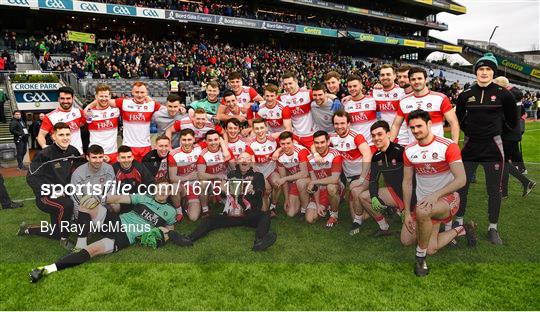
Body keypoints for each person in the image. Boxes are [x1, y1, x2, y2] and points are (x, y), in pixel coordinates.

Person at [29, 178, 180, 283]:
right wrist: (101, 199)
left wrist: (163, 235)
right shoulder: (143, 197)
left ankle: (46, 269)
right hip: (116, 222)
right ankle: (80, 242)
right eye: (160, 188)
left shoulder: (170, 211)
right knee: (87, 200)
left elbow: (170, 231)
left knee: (91, 251)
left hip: (125, 238)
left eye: (166, 189)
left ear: (169, 192)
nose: (162, 191)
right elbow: (117, 199)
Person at [402, 110, 477, 276]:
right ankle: (463, 229)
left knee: (423, 214)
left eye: (419, 126)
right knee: (407, 241)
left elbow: (461, 179)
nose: (415, 131)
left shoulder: (448, 146)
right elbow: (407, 182)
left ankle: (420, 258)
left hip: (447, 200)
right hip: (425, 203)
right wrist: (407, 212)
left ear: (429, 124)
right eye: (412, 127)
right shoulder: (409, 150)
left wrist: (435, 195)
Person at [455, 53, 518, 245]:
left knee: (494, 190)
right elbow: (459, 119)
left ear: (493, 72)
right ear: (475, 72)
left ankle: (493, 228)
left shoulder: (504, 94)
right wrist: (473, 132)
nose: (484, 72)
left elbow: (512, 122)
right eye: (481, 69)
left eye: (488, 69)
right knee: (461, 187)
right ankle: (458, 225)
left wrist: (495, 132)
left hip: (493, 148)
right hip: (470, 147)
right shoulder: (465, 95)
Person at [172, 152, 277, 251]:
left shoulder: (258, 176)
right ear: (237, 161)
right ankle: (188, 239)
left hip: (249, 214)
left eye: (247, 159)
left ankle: (259, 241)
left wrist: (253, 190)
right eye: (241, 158)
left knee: (264, 216)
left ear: (251, 163)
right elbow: (222, 194)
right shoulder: (230, 174)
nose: (244, 160)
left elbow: (260, 194)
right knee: (209, 220)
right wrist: (222, 189)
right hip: (231, 214)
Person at [20, 122, 82, 249]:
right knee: (67, 205)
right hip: (45, 196)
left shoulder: (73, 151)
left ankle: (27, 229)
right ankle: (64, 239)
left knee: (55, 233)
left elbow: (82, 167)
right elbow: (31, 178)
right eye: (61, 135)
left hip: (65, 193)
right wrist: (53, 190)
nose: (65, 138)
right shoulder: (44, 154)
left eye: (67, 134)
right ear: (53, 137)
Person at [85, 81, 162, 162]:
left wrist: (150, 100)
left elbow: (167, 110)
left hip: (142, 146)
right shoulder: (123, 104)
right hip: (123, 148)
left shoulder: (116, 111)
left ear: (146, 93)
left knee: (145, 172)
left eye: (142, 92)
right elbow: (90, 110)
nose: (139, 95)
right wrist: (91, 105)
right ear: (132, 92)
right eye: (137, 92)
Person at [360, 120, 408, 237]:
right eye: (373, 136)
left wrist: (407, 206)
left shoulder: (402, 152)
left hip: (410, 195)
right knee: (363, 197)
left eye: (380, 134)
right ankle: (384, 226)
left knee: (407, 240)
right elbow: (373, 180)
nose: (376, 138)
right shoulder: (376, 156)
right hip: (394, 193)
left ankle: (401, 211)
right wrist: (374, 196)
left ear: (388, 134)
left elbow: (414, 181)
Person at [329, 110, 373, 235]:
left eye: (342, 123)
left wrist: (362, 177)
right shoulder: (333, 137)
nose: (339, 126)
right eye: (336, 124)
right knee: (358, 212)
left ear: (349, 123)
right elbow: (317, 142)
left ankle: (357, 222)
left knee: (354, 192)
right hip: (349, 177)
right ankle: (377, 205)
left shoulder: (356, 136)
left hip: (363, 174)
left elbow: (367, 154)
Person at [390, 67, 460, 144]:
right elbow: (396, 125)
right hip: (413, 151)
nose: (416, 81)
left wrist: (455, 145)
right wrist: (389, 144)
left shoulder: (440, 98)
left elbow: (454, 123)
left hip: (437, 150)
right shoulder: (404, 101)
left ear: (426, 80)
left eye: (419, 78)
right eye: (413, 79)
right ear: (409, 82)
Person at [493, 77, 536, 198]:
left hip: (507, 134)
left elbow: (502, 117)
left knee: (503, 163)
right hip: (513, 132)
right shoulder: (514, 95)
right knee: (504, 162)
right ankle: (524, 183)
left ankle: (510, 189)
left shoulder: (506, 97)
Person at [69, 144, 115, 250]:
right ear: (87, 157)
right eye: (94, 157)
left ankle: (102, 226)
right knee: (85, 206)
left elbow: (111, 190)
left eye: (100, 157)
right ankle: (80, 243)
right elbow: (76, 199)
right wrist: (80, 218)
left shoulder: (108, 169)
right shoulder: (78, 173)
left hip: (103, 204)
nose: (98, 160)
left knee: (116, 204)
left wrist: (106, 206)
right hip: (85, 207)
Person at [306, 131, 343, 226]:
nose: (319, 145)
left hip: (334, 187)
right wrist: (318, 205)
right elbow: (315, 185)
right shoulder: (310, 158)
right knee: (310, 219)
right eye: (317, 143)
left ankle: (334, 215)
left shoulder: (335, 155)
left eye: (322, 142)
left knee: (331, 187)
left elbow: (334, 179)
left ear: (328, 141)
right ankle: (325, 207)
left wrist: (314, 181)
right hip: (320, 190)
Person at [37, 86, 86, 154]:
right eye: (62, 98)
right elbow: (41, 135)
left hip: (78, 154)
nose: (65, 101)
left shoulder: (79, 112)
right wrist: (44, 147)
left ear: (73, 98)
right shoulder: (50, 117)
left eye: (68, 98)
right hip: (59, 156)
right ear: (58, 99)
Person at [197, 130, 233, 217]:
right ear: (205, 141)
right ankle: (205, 210)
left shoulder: (225, 150)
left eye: (216, 139)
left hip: (224, 180)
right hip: (210, 181)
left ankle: (228, 205)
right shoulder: (203, 155)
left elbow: (234, 166)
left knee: (226, 187)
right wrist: (217, 176)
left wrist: (224, 145)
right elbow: (201, 175)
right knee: (202, 183)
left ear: (220, 140)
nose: (213, 142)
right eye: (210, 140)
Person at [168, 129, 203, 221]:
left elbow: (216, 139)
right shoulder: (173, 154)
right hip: (183, 185)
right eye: (184, 140)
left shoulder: (199, 148)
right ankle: (178, 211)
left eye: (189, 139)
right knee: (174, 187)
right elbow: (172, 178)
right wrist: (188, 177)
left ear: (194, 139)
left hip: (196, 186)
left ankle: (188, 202)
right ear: (180, 140)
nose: (186, 143)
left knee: (193, 218)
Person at [275, 131, 311, 218]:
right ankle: (302, 199)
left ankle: (304, 209)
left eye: (288, 143)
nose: (286, 146)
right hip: (295, 181)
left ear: (293, 142)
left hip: (310, 179)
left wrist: (286, 178)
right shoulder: (280, 157)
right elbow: (283, 179)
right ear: (279, 144)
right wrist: (286, 199)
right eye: (283, 144)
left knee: (301, 183)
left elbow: (304, 173)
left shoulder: (301, 151)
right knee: (290, 213)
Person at [372, 64, 409, 145]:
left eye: (388, 74)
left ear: (395, 76)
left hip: (402, 137)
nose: (385, 77)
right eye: (382, 75)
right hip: (383, 137)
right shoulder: (375, 92)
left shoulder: (402, 92)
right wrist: (351, 97)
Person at [86, 84, 121, 163]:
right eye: (101, 96)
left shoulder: (116, 110)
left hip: (113, 153)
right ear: (96, 97)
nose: (104, 99)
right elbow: (85, 113)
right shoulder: (90, 112)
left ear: (110, 97)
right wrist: (90, 105)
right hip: (96, 154)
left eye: (106, 96)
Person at [342, 75, 377, 145]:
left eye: (355, 86)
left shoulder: (372, 100)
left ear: (361, 86)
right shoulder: (345, 104)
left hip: (371, 144)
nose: (352, 88)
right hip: (355, 145)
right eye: (350, 87)